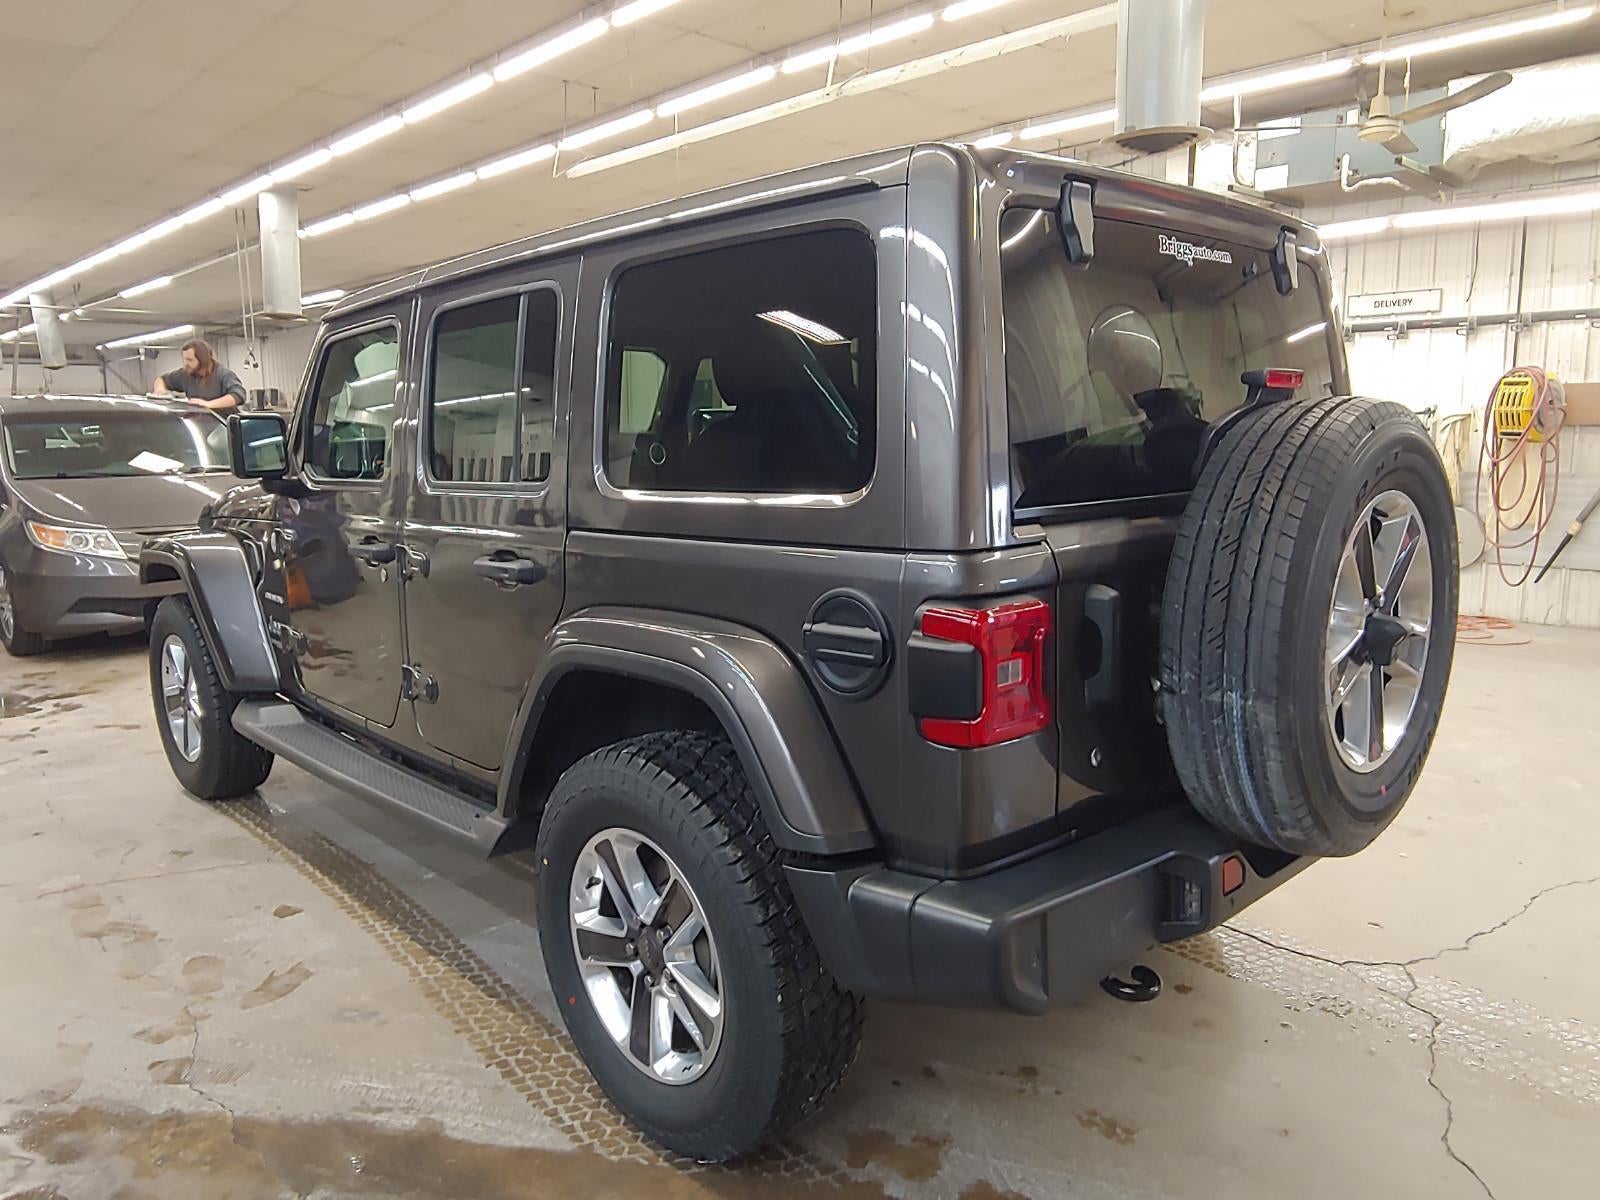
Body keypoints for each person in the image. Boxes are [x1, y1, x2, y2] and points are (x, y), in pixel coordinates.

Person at [152, 338, 247, 413]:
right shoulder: (185, 374)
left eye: (190, 360)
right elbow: (161, 379)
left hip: (223, 426)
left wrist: (208, 404)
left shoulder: (223, 374)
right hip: (201, 427)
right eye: (184, 359)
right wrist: (160, 390)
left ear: (202, 359)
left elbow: (238, 395)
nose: (185, 364)